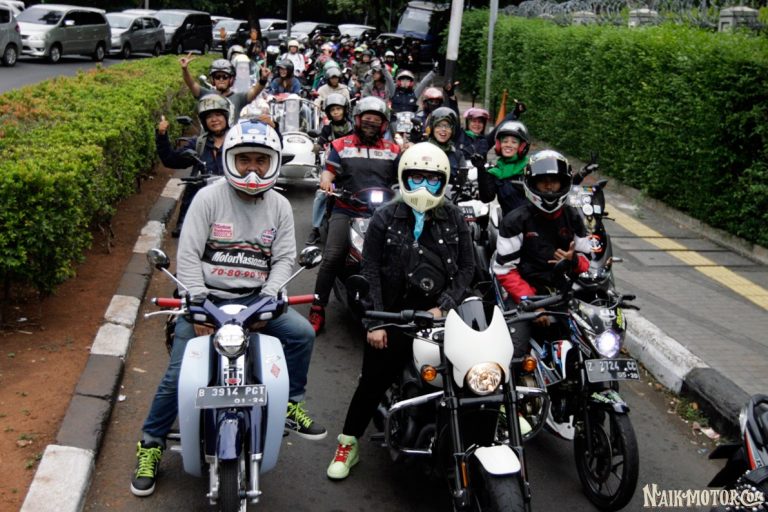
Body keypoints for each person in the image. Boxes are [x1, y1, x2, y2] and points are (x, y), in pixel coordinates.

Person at [130, 119, 327, 497]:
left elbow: (284, 259)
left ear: (273, 162)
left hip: (256, 300)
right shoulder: (208, 198)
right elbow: (188, 255)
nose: (252, 169)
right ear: (230, 160)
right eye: (244, 160)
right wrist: (198, 302)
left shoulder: (280, 205)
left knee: (301, 334)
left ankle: (291, 403)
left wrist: (269, 296)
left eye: (261, 160)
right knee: (179, 374)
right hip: (208, 300)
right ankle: (151, 444)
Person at [325, 142, 475, 480]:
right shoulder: (385, 215)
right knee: (372, 380)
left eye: (432, 179)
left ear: (443, 180)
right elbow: (370, 268)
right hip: (394, 314)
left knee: (474, 372)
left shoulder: (454, 215)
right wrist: (376, 321)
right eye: (416, 177)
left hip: (440, 314)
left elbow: (467, 268)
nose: (424, 186)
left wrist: (444, 307)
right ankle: (348, 443)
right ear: (404, 178)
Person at [307, 97, 401, 333]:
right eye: (367, 118)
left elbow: (403, 177)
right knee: (332, 255)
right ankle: (317, 307)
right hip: (346, 209)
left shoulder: (393, 150)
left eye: (376, 119)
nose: (371, 122)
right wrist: (326, 182)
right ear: (358, 119)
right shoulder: (341, 145)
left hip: (383, 213)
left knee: (401, 254)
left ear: (383, 124)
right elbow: (328, 172)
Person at [492, 150, 591, 341]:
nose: (549, 186)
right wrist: (532, 304)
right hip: (525, 291)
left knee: (589, 341)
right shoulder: (514, 221)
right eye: (542, 181)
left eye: (554, 181)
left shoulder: (573, 217)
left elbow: (587, 261)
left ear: (563, 183)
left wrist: (574, 260)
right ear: (532, 183)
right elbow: (504, 271)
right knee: (515, 349)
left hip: (563, 291)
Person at [156, 94, 231, 238]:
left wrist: (273, 127)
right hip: (201, 205)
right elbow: (171, 160)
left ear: (227, 117)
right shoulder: (198, 144)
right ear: (204, 121)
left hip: (231, 203)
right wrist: (162, 135)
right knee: (186, 237)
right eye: (209, 116)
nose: (214, 119)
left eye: (218, 115)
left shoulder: (238, 141)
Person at [306, 93, 355, 245]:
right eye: (332, 110)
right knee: (322, 194)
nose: (336, 112)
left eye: (338, 109)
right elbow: (321, 140)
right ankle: (315, 229)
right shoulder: (328, 128)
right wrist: (316, 147)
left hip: (352, 168)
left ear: (345, 109)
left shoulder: (353, 127)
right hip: (333, 170)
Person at [180, 55, 269, 126]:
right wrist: (185, 69)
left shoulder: (239, 98)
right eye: (217, 77)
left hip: (232, 140)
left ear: (231, 79)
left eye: (225, 77)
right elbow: (192, 84)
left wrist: (263, 79)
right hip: (210, 140)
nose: (221, 79)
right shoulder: (206, 95)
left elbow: (254, 91)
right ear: (213, 80)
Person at [476, 120, 531, 217]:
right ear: (499, 145)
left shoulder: (531, 167)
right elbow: (487, 198)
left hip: (533, 221)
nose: (508, 145)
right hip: (510, 222)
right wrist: (481, 169)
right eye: (505, 141)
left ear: (521, 146)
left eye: (514, 142)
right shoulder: (495, 171)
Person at [424, 107, 466, 183]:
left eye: (447, 126)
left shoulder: (458, 155)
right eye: (439, 125)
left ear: (452, 130)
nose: (443, 129)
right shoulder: (423, 150)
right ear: (432, 128)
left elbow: (463, 182)